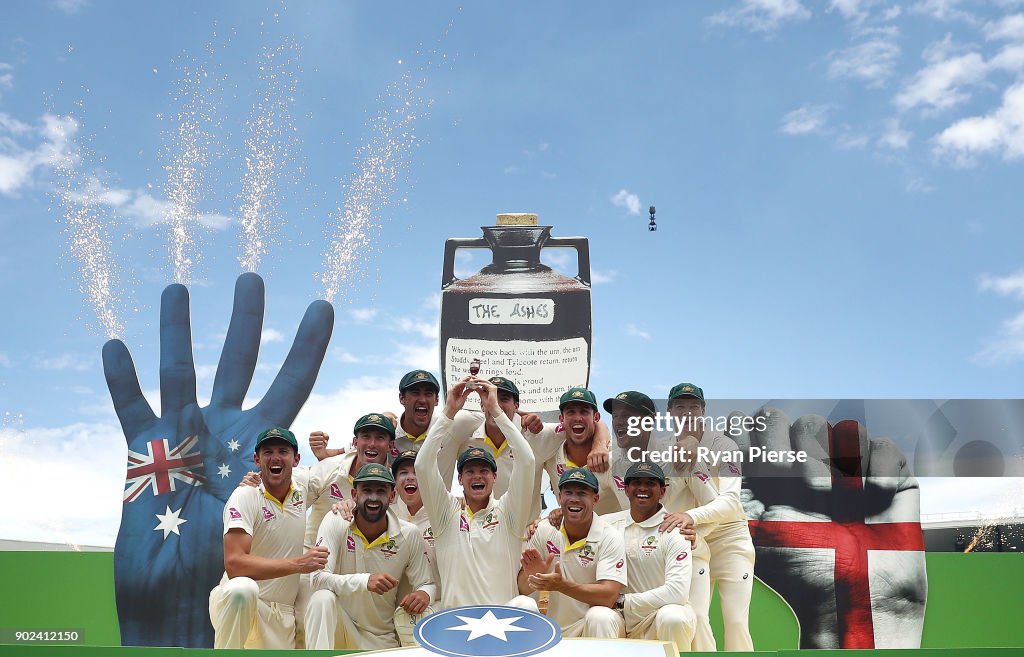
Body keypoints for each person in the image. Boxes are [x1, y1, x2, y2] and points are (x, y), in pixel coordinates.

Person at [417, 376, 539, 610]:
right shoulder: (445, 516)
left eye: (484, 470)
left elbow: (527, 460)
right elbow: (422, 465)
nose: (477, 476)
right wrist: (449, 412)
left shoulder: (508, 514)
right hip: (457, 630)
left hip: (504, 630)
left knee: (526, 604)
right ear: (460, 479)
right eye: (469, 471)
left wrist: (495, 411)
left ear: (495, 478)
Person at [208, 427, 329, 649]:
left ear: (296, 459)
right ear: (256, 459)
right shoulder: (245, 495)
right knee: (242, 589)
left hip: (281, 614)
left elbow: (345, 468)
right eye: (267, 452)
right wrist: (299, 563)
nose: (275, 457)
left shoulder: (302, 484)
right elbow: (235, 564)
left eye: (283, 451)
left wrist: (347, 502)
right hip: (243, 605)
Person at [662, 383, 755, 652]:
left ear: (703, 411)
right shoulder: (662, 448)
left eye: (694, 406)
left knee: (736, 621)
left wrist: (688, 516)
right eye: (680, 406)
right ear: (670, 411)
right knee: (696, 616)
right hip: (691, 539)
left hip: (729, 537)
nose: (687, 413)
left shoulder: (725, 445)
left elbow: (730, 502)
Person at [305, 463, 435, 650]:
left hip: (380, 636)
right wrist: (365, 581)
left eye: (381, 491)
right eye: (366, 490)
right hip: (341, 625)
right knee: (322, 599)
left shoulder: (409, 534)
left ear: (392, 496)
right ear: (354, 494)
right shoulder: (336, 520)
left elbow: (427, 583)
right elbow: (316, 579)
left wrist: (424, 594)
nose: (373, 498)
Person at [520, 467, 626, 638]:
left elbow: (609, 596)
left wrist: (562, 586)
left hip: (590, 628)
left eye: (582, 493)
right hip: (552, 629)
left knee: (600, 617)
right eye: (568, 492)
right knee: (521, 603)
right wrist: (532, 576)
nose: (574, 499)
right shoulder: (543, 530)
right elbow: (522, 589)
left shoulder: (610, 536)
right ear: (560, 497)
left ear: (595, 499)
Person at [604, 461, 696, 653]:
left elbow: (677, 592)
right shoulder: (606, 525)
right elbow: (574, 520)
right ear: (626, 489)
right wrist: (552, 516)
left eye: (650, 483)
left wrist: (623, 602)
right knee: (598, 617)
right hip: (621, 618)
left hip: (657, 616)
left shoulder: (676, 529)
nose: (643, 488)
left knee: (673, 617)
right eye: (636, 483)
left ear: (662, 491)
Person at [522, 387, 619, 518]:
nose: (577, 418)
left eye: (584, 412)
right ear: (561, 419)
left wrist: (600, 445)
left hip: (612, 535)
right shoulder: (552, 453)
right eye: (571, 412)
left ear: (596, 417)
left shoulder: (614, 453)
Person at [303, 413, 396, 548]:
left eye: (380, 438)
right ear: (355, 442)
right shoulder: (328, 469)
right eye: (366, 437)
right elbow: (292, 505)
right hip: (312, 560)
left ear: (391, 446)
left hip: (361, 564)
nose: (372, 444)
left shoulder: (395, 485)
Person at [603, 390, 665, 507]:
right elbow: (582, 496)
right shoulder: (609, 463)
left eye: (626, 416)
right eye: (615, 416)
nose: (618, 422)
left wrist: (689, 516)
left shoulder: (679, 455)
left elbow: (711, 502)